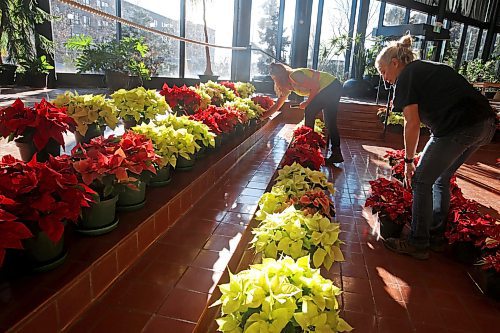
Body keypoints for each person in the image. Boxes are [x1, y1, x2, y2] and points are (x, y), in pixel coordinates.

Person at [376, 35, 496, 260]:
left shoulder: (407, 76)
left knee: (421, 180)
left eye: (383, 71)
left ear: (395, 63)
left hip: (461, 126)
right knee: (441, 177)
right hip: (485, 126)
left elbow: (411, 123)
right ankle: (436, 235)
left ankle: (418, 242)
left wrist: (409, 161)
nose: (385, 78)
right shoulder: (426, 69)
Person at [267, 62, 344, 163]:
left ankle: (309, 150)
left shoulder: (294, 75)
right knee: (329, 121)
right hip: (333, 87)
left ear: (280, 76)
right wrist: (263, 116)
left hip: (331, 86)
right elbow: (278, 105)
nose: (275, 81)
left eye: (275, 79)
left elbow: (315, 86)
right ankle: (335, 153)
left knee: (310, 111)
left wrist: (307, 102)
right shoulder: (287, 84)